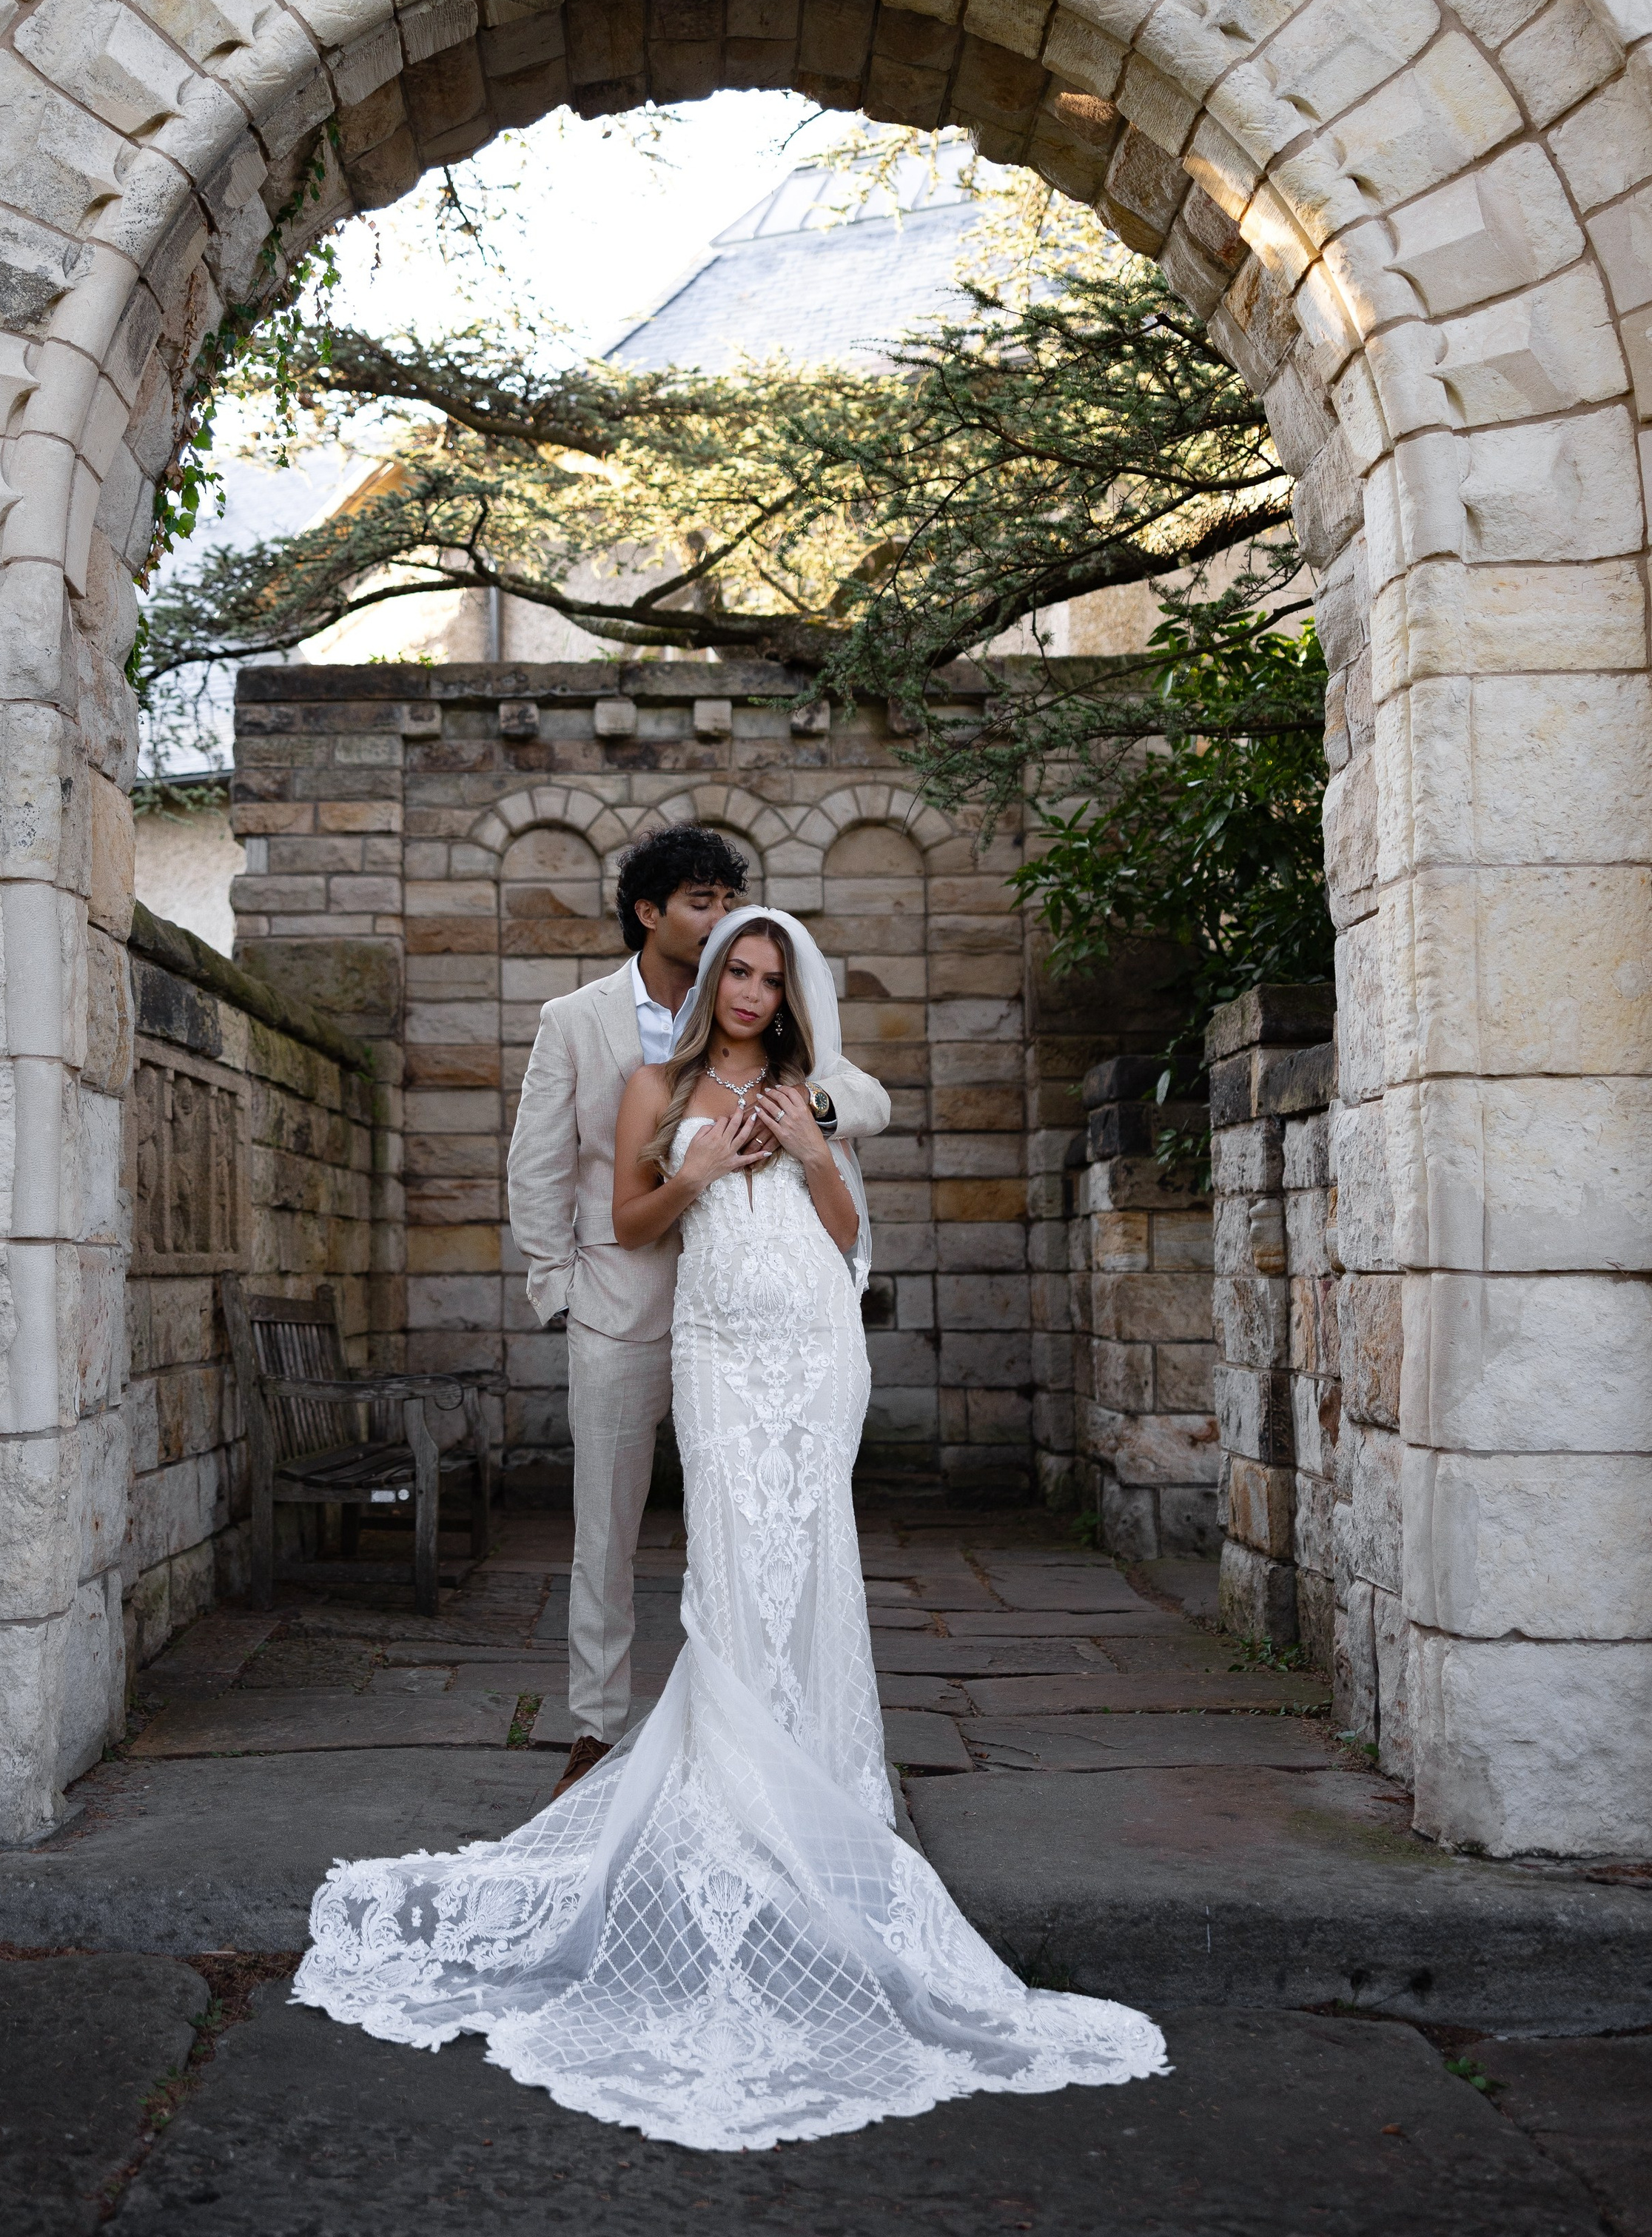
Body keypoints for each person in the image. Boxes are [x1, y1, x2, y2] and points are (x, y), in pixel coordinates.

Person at [292, 908, 1167, 2150]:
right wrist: (700, 1170)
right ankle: (730, 1792)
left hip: (814, 1340)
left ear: (790, 990)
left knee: (810, 1554)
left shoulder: (818, 1090)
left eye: (770, 975)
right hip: (712, 1342)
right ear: (712, 980)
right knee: (729, 1559)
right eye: (737, 972)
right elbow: (636, 1222)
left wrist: (805, 1150)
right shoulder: (656, 1082)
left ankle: (820, 1776)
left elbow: (849, 1239)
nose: (753, 990)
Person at [502, 824, 892, 1797]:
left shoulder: (781, 1039)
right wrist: (561, 1296)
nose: (726, 926)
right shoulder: (578, 1021)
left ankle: (770, 1730)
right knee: (609, 1533)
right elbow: (538, 1169)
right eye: (706, 903)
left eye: (731, 903)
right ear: (653, 913)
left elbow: (866, 1102)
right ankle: (596, 1731)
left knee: (757, 1530)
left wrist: (815, 1127)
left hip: (769, 1317)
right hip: (623, 1312)